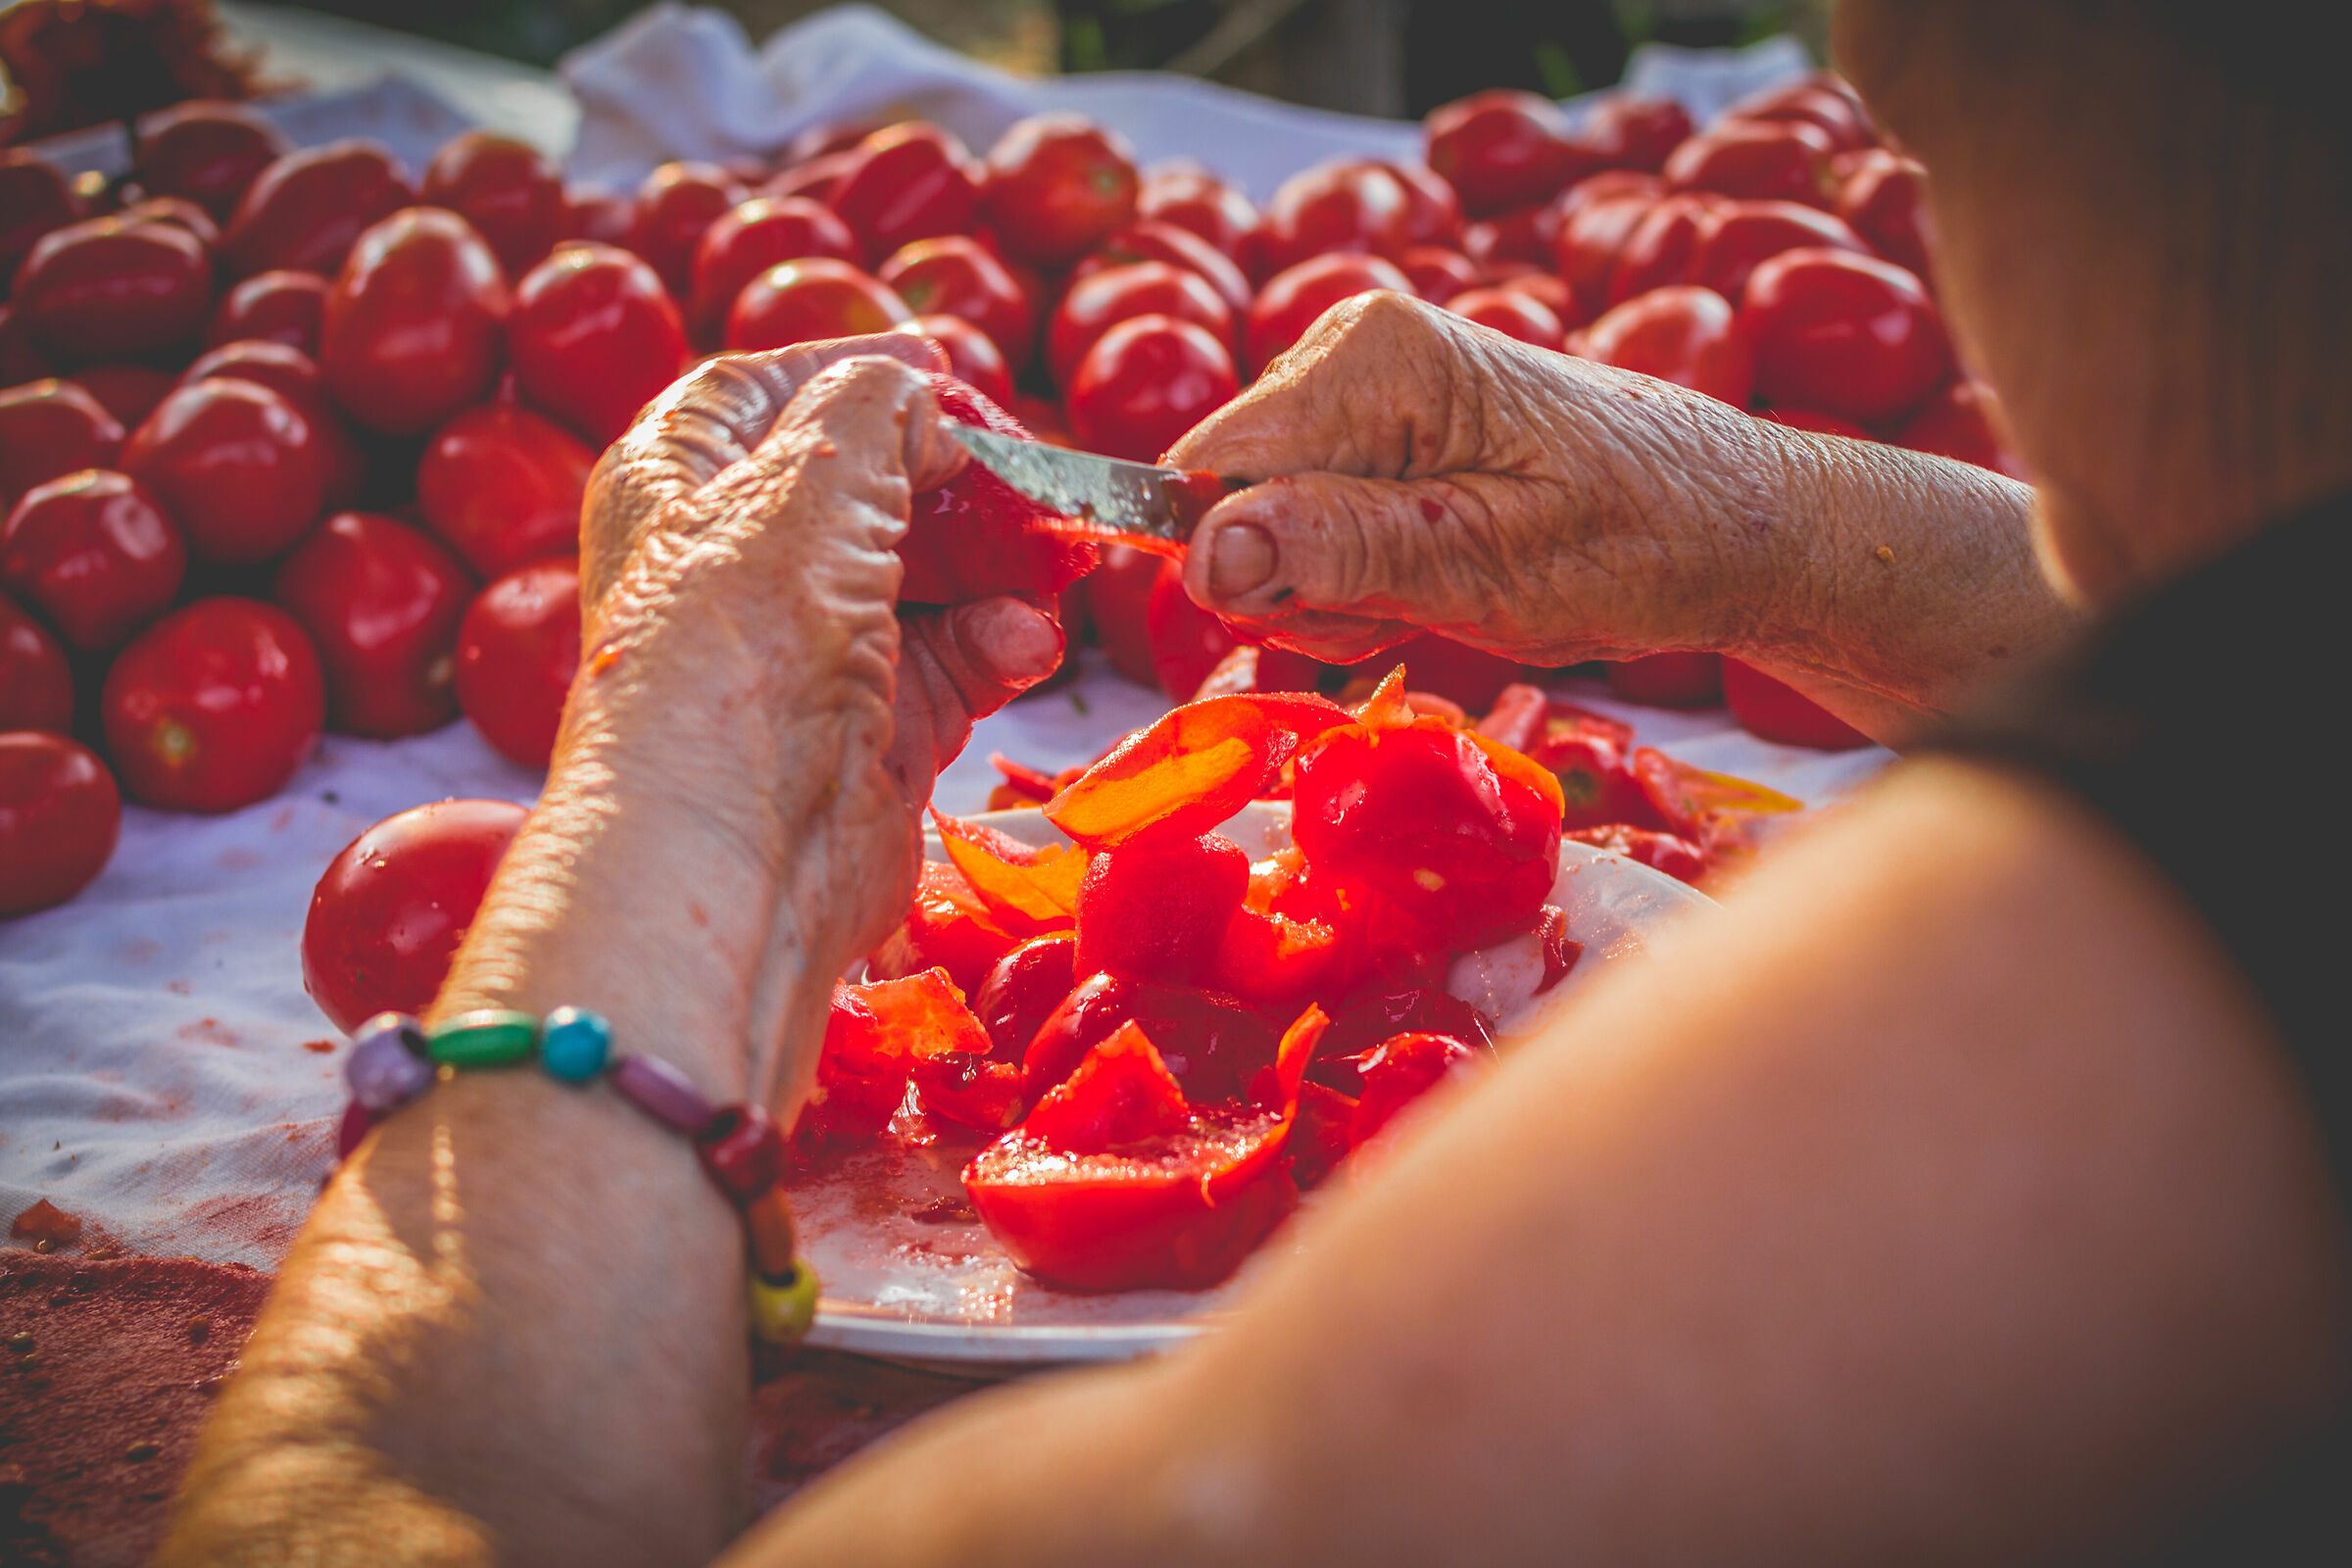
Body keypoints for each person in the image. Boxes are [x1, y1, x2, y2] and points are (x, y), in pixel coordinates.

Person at [162, 1, 2349, 1562]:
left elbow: (404, 1511)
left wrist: (682, 791)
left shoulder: (2099, 1033)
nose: (1868, 61)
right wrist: (1773, 525)